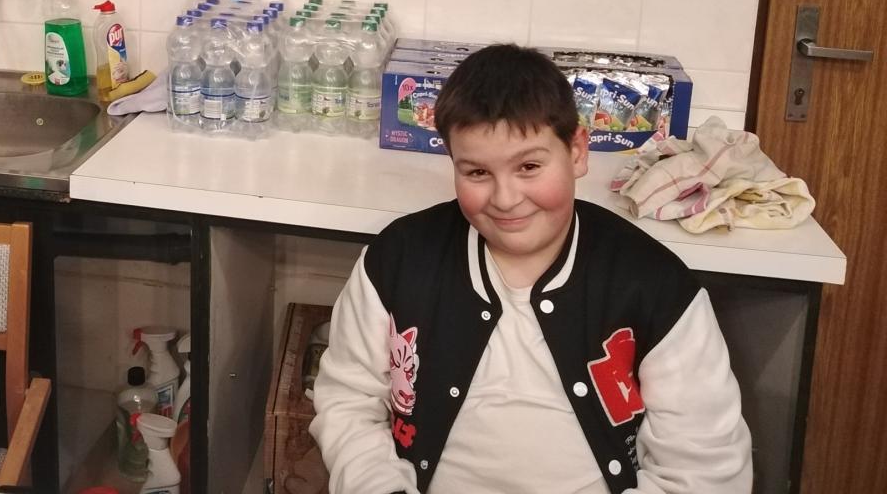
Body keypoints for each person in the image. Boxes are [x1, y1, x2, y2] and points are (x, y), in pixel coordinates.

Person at [310, 44, 752, 494]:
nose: (505, 199)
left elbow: (704, 468)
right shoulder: (397, 261)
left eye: (529, 166)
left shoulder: (656, 285)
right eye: (477, 173)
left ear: (577, 151)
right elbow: (349, 401)